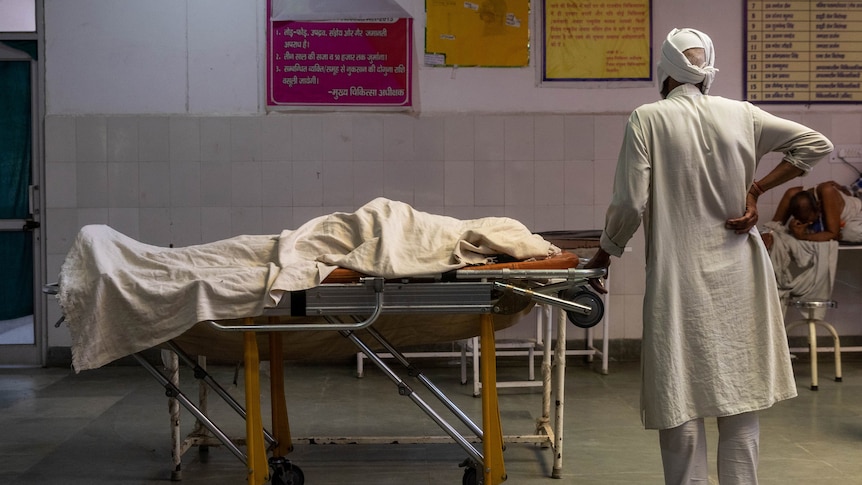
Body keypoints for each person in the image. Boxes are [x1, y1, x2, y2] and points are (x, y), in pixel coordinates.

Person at [583, 28, 834, 484]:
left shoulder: (648, 119)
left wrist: (606, 252)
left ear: (665, 71)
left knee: (679, 395)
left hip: (679, 278)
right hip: (740, 272)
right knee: (739, 400)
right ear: (706, 72)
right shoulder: (741, 115)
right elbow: (816, 144)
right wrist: (755, 188)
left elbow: (628, 204)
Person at [763, 180, 862, 249]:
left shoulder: (827, 191)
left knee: (851, 232)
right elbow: (775, 225)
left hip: (856, 215)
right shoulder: (791, 194)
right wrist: (770, 234)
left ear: (818, 207)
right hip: (837, 224)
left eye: (809, 220)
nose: (808, 223)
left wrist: (802, 237)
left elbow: (833, 234)